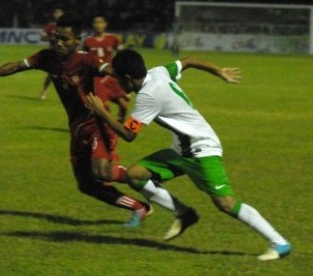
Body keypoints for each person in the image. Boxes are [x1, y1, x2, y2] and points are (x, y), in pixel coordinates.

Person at [85, 49, 291, 261]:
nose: (116, 82)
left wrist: (101, 111)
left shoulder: (148, 96)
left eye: (117, 78)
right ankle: (185, 214)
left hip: (202, 149)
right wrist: (218, 71)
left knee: (226, 204)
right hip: (181, 150)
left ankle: (280, 242)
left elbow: (128, 134)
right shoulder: (159, 72)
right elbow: (189, 61)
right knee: (135, 175)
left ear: (127, 78)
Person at [0, 14, 151, 227]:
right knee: (86, 185)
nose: (59, 42)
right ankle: (140, 207)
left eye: (65, 39)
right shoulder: (46, 58)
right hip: (77, 129)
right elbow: (17, 65)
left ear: (77, 40)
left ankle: (141, 175)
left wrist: (140, 81)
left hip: (97, 124)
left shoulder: (86, 59)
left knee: (101, 172)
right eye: (56, 38)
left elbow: (110, 70)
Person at [83, 15, 129, 123]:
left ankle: (118, 126)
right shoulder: (88, 41)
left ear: (105, 24)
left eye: (101, 22)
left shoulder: (112, 39)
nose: (98, 25)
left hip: (111, 77)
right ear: (93, 25)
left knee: (124, 105)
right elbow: (83, 58)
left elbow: (121, 54)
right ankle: (105, 128)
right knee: (104, 106)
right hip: (97, 78)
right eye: (96, 22)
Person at [39, 8, 64, 100]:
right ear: (54, 15)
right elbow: (42, 37)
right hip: (53, 54)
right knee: (51, 75)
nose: (58, 15)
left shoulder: (67, 26)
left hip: (66, 54)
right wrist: (51, 38)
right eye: (56, 13)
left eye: (60, 13)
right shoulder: (50, 27)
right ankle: (44, 90)